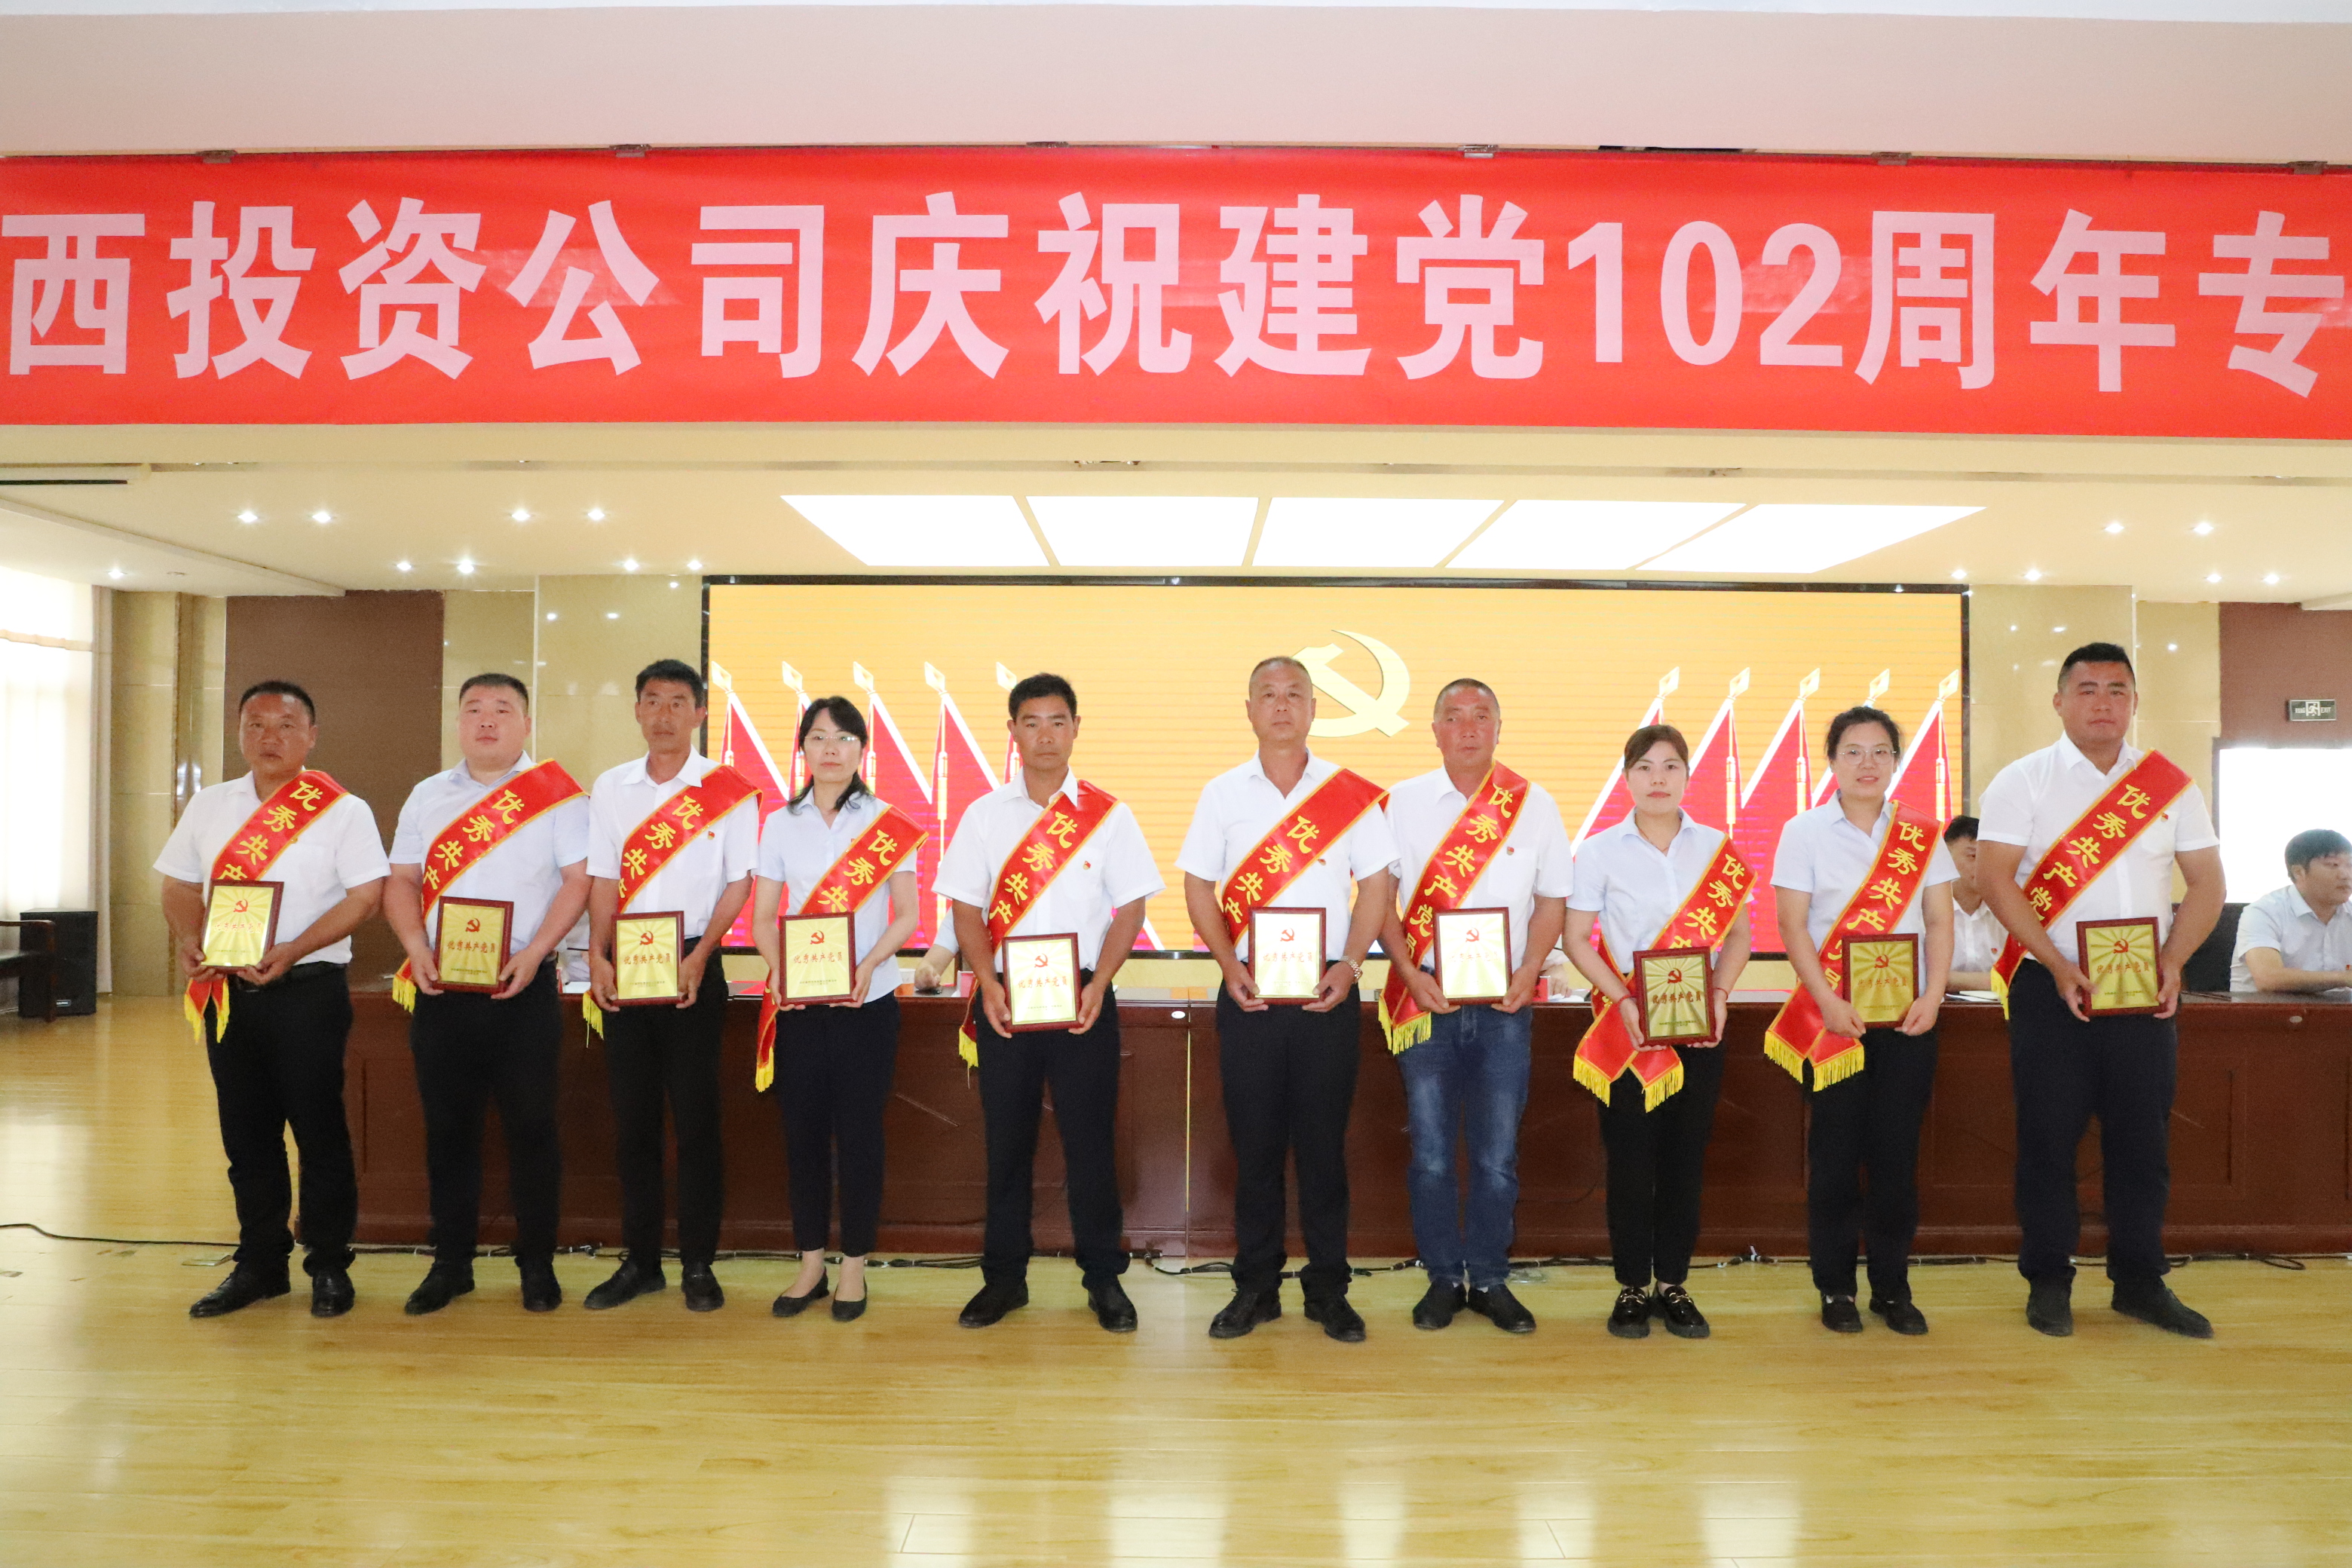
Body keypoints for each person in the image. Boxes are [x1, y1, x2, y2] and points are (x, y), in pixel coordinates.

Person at [1977, 642, 2225, 1340]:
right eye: (2087, 690)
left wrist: (2174, 961)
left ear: (2135, 702)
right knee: (2048, 1140)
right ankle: (2048, 1281)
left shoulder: (2168, 785)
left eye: (2118, 690)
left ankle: (2140, 1282)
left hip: (2143, 988)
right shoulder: (2022, 780)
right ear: (2059, 702)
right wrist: (2057, 963)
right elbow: (1995, 879)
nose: (2103, 703)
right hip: (2048, 985)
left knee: (2142, 1142)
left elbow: (2208, 883)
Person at [1177, 656, 1398, 1343]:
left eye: (1294, 694)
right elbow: (1197, 886)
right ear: (1249, 709)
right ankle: (1256, 1288)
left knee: (1324, 1151)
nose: (1281, 705)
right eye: (1268, 695)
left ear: (1312, 709)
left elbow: (1378, 886)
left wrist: (1352, 965)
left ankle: (1329, 1290)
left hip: (1327, 992)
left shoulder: (1347, 794)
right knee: (1257, 1150)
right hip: (1248, 991)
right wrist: (1226, 964)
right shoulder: (1221, 794)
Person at [936, 673, 1164, 1333]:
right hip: (1006, 1000)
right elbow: (965, 909)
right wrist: (987, 982)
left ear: (1075, 729)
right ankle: (1004, 1280)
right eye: (1031, 722)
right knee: (1006, 1146)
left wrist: (1102, 983)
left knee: (1091, 1146)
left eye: (1058, 721)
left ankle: (1104, 1279)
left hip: (1083, 998)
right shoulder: (984, 815)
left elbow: (1131, 907)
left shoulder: (1109, 815)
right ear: (1012, 732)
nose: (1045, 735)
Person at [158, 681, 389, 1318]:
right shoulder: (210, 805)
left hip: (307, 990)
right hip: (228, 993)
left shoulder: (343, 811)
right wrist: (189, 937)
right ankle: (260, 1264)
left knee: (319, 1132)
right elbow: (179, 885)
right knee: (247, 1134)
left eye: (285, 725)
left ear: (311, 736)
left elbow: (365, 898)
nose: (269, 737)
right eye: (255, 724)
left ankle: (329, 1264)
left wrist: (292, 948)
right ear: (239, 733)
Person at [382, 674, 589, 1315]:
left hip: (522, 989)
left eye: (503, 709)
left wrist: (536, 952)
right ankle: (451, 1265)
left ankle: (538, 1263)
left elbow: (578, 882)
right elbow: (401, 880)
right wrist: (415, 947)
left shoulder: (557, 795)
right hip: (442, 988)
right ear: (458, 723)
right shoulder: (427, 795)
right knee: (448, 1132)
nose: (487, 720)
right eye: (473, 709)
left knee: (533, 1130)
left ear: (526, 724)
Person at [1377, 678, 1567, 1336]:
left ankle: (1488, 1277)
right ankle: (1441, 1278)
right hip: (1427, 996)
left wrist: (1530, 970)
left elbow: (1552, 900)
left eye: (1480, 715)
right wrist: (1408, 973)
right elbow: (1378, 900)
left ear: (1498, 728)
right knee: (1431, 1154)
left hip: (1505, 1003)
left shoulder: (1534, 805)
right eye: (1453, 716)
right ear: (1434, 730)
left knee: (1496, 1157)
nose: (1467, 727)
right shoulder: (1400, 803)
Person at [1768, 705, 1954, 1336]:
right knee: (1835, 1160)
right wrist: (1825, 999)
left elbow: (1939, 920)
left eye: (1880, 752)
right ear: (1832, 762)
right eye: (1853, 751)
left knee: (1897, 1162)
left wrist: (1933, 995)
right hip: (1834, 1021)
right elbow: (1792, 925)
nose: (1867, 763)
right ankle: (1836, 1288)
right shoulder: (1803, 832)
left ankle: (1892, 1289)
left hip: (1907, 1022)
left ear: (1896, 761)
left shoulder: (1921, 834)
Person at [582, 660, 761, 1313]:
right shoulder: (612, 787)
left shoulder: (729, 790)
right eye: (652, 701)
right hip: (627, 963)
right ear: (637, 710)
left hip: (692, 963)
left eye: (678, 702)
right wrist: (595, 953)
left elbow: (739, 882)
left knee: (696, 1122)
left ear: (700, 713)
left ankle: (698, 1263)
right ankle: (640, 1261)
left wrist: (703, 953)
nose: (664, 715)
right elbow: (604, 878)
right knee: (632, 1123)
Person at [1563, 724, 1750, 1340]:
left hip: (1699, 1028)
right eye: (1644, 767)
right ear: (1627, 778)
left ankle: (1673, 1283)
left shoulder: (1716, 848)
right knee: (1630, 1161)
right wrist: (1622, 1000)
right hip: (1630, 1029)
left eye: (1671, 766)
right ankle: (1631, 1287)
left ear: (1688, 775)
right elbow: (1576, 939)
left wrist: (1720, 995)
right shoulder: (1598, 852)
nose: (1658, 779)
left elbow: (1740, 936)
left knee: (1683, 1161)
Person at [751, 697, 924, 1322]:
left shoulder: (888, 823)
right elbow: (764, 916)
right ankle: (810, 1266)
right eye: (819, 736)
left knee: (859, 1139)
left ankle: (853, 1268)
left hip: (866, 1004)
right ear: (802, 747)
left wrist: (869, 963)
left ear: (862, 750)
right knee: (801, 1137)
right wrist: (780, 969)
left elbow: (908, 915)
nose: (831, 748)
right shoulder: (780, 823)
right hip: (800, 1007)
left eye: (845, 737)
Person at [2231, 828, 2352, 993]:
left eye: (2350, 865)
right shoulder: (2263, 912)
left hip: (2340, 1009)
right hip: (2268, 1008)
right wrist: (2343, 978)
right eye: (2333, 865)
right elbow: (2269, 979)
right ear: (2299, 872)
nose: (2345, 875)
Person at [1941, 816, 2004, 993]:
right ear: (1944, 858)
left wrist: (1946, 980)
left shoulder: (2007, 912)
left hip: (1999, 1009)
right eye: (1973, 856)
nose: (1983, 866)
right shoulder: (1924, 911)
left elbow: (2020, 977)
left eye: (1990, 858)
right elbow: (1917, 977)